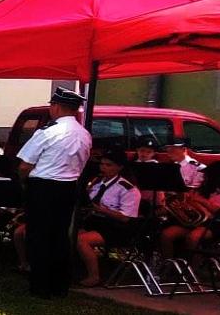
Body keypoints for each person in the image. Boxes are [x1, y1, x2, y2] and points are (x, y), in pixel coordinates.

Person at [15, 87, 93, 299]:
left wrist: (24, 183)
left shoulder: (48, 132)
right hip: (68, 187)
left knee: (39, 236)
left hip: (44, 187)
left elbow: (24, 165)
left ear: (56, 107)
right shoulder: (84, 134)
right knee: (60, 237)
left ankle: (40, 286)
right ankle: (60, 286)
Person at [70, 151, 141, 287]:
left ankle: (94, 276)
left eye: (108, 165)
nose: (103, 168)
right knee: (70, 234)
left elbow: (126, 218)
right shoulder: (96, 182)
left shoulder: (127, 188)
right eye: (102, 164)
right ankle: (74, 270)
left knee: (81, 240)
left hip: (117, 227)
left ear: (119, 167)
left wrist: (103, 210)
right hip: (96, 222)